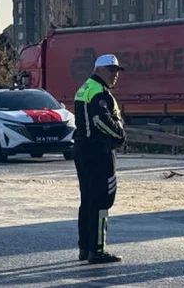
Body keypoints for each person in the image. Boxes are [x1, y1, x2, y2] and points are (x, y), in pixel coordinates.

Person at [73, 54, 126, 264]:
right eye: (111, 71)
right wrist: (120, 135)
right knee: (103, 200)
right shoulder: (99, 93)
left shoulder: (85, 88)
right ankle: (98, 249)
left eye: (117, 72)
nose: (115, 76)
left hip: (84, 150)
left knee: (87, 200)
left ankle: (85, 247)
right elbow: (101, 120)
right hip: (98, 152)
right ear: (99, 71)